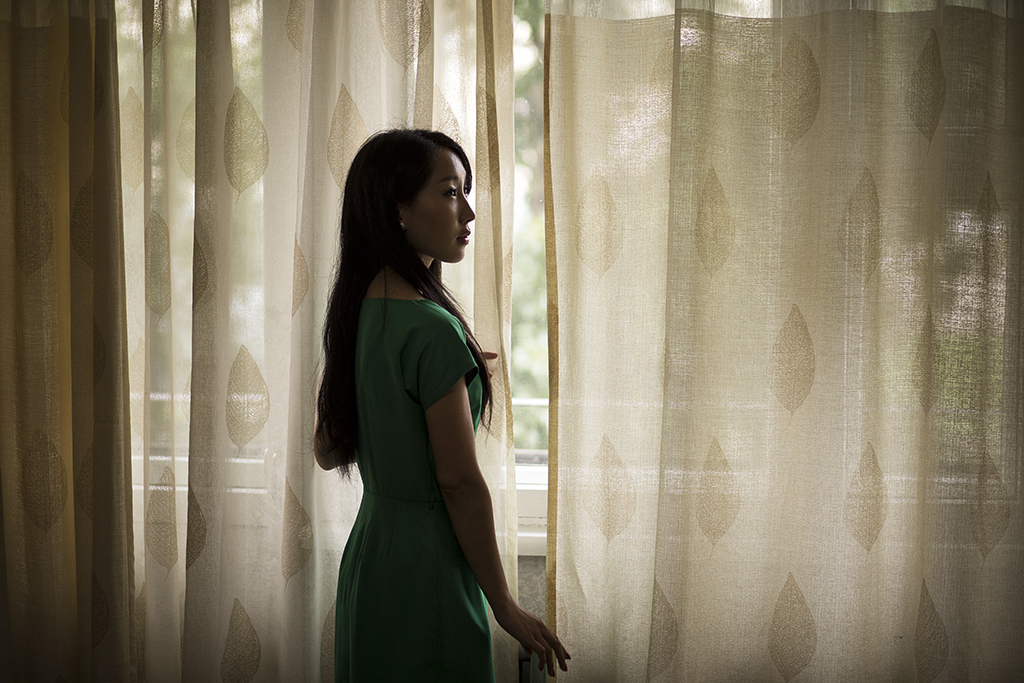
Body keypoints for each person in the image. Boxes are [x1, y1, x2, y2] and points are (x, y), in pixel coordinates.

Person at [314, 129, 569, 682]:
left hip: (372, 561)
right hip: (427, 566)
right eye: (451, 192)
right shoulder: (430, 330)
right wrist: (505, 605)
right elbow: (458, 483)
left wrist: (449, 377)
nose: (468, 212)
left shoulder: (359, 313)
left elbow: (329, 449)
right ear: (398, 209)